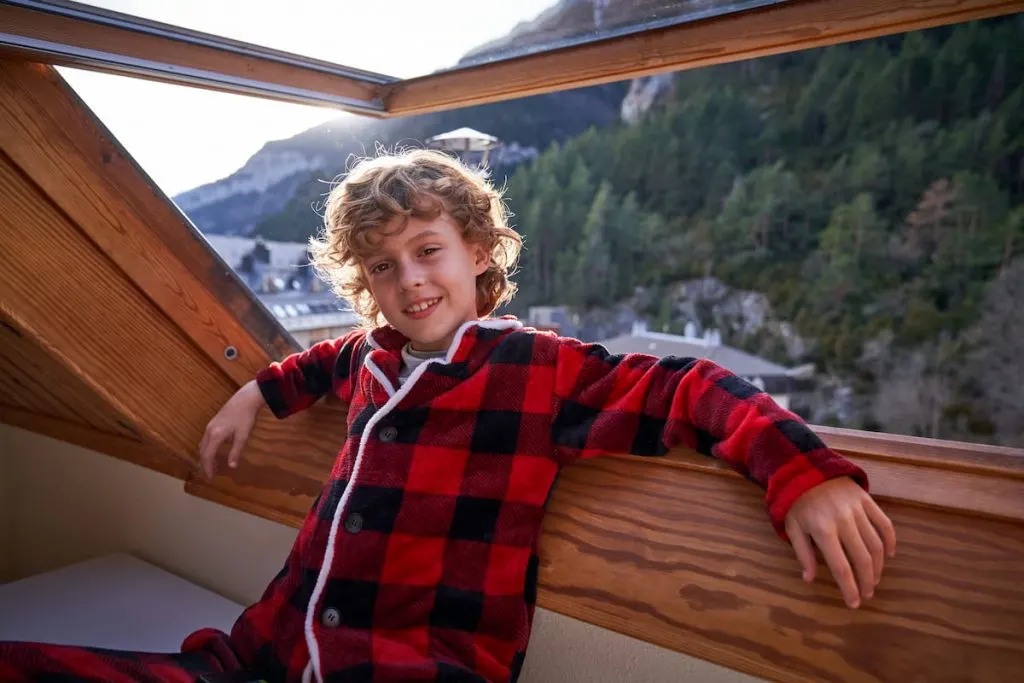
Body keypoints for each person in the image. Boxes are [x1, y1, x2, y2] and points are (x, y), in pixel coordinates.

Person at [0, 149, 895, 683]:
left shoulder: (538, 370)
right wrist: (253, 393)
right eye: (383, 267)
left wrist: (801, 472)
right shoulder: (370, 356)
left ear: (477, 253)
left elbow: (687, 388)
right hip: (264, 655)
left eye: (428, 251)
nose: (409, 280)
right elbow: (314, 363)